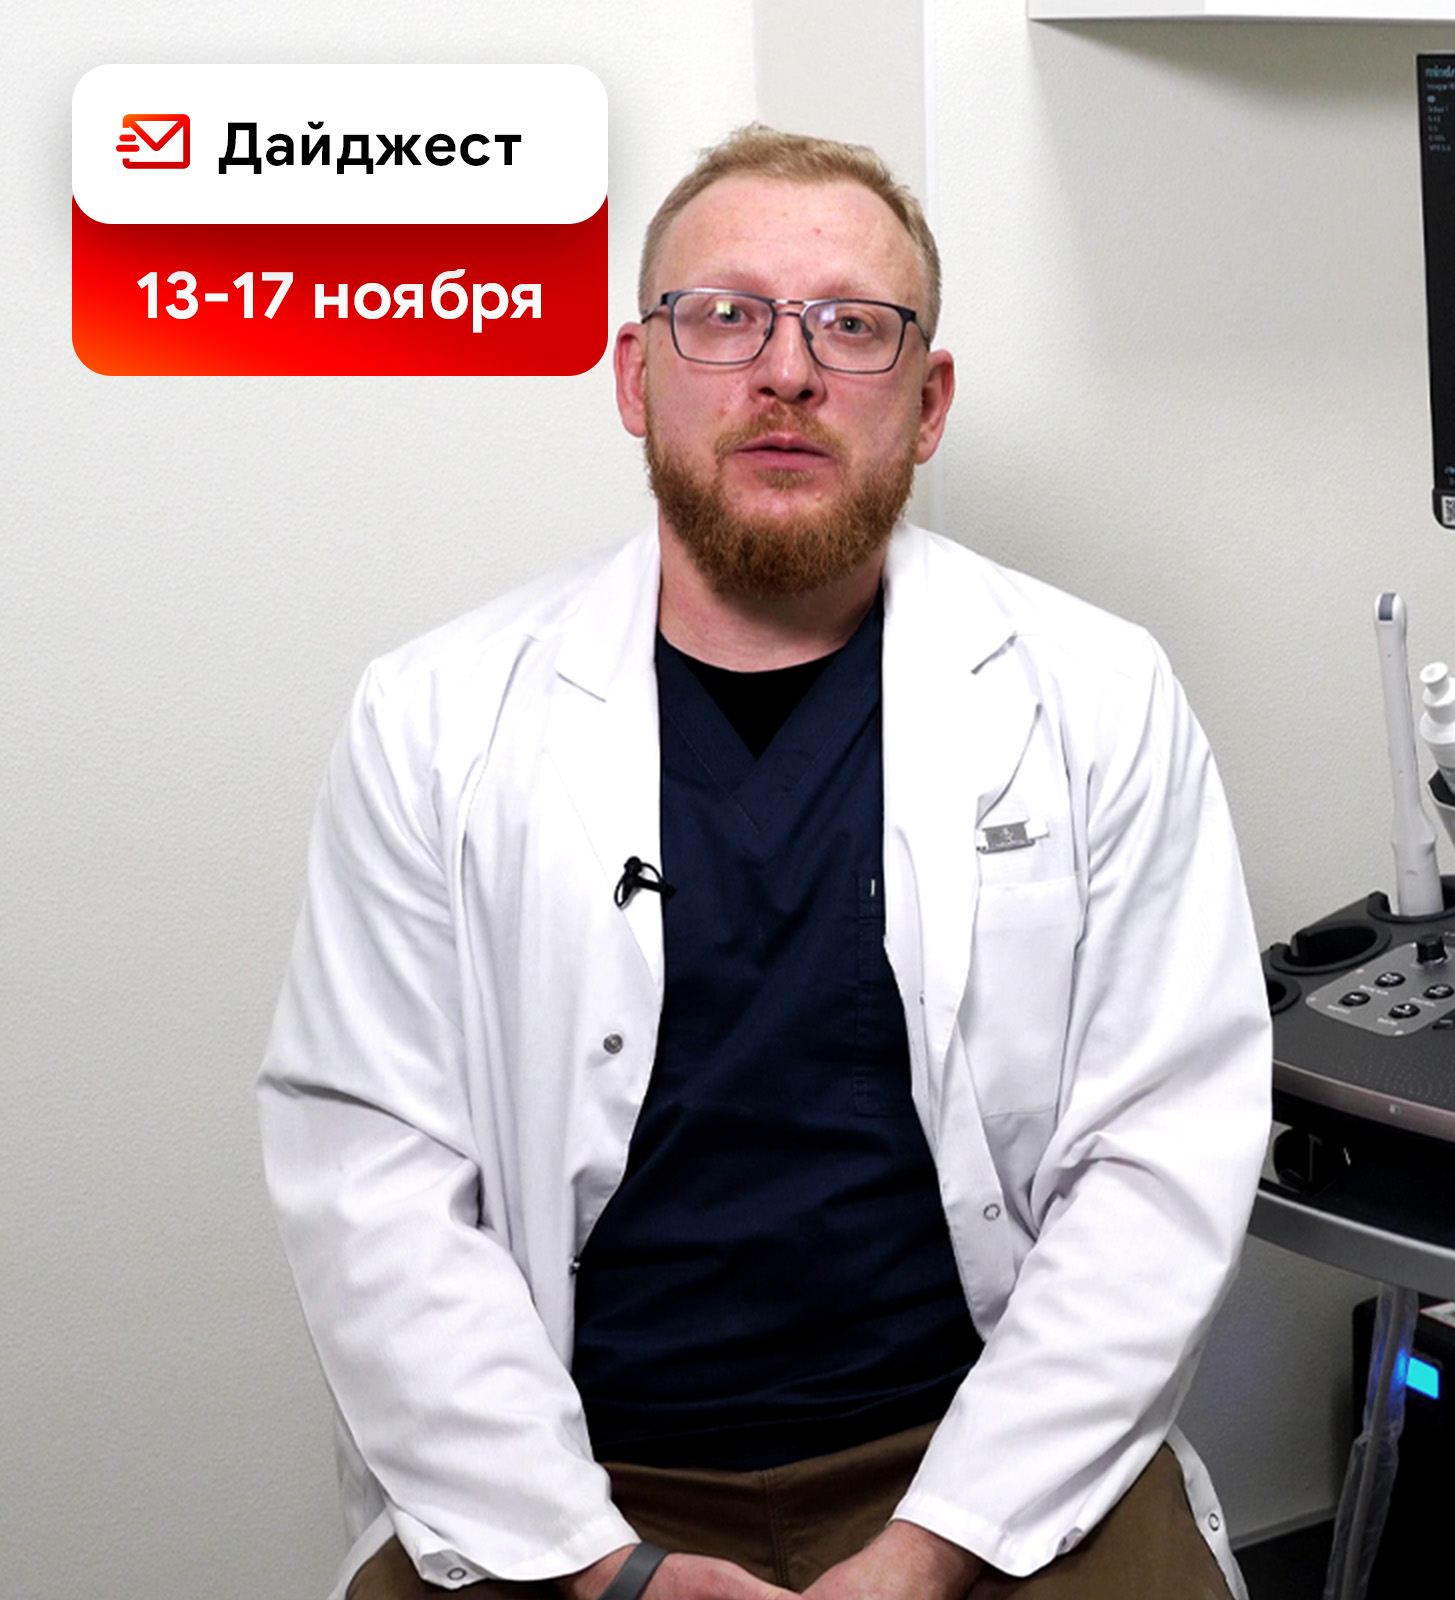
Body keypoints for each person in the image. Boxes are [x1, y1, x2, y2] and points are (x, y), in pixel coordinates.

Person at [258, 126, 1271, 1600]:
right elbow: (375, 1185)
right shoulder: (432, 718)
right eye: (725, 316)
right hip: (579, 1471)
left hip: (983, 1449)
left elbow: (1164, 1156)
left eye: (852, 327)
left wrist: (930, 1548)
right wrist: (604, 1566)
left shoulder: (1098, 695)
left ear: (927, 404)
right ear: (634, 378)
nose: (787, 371)